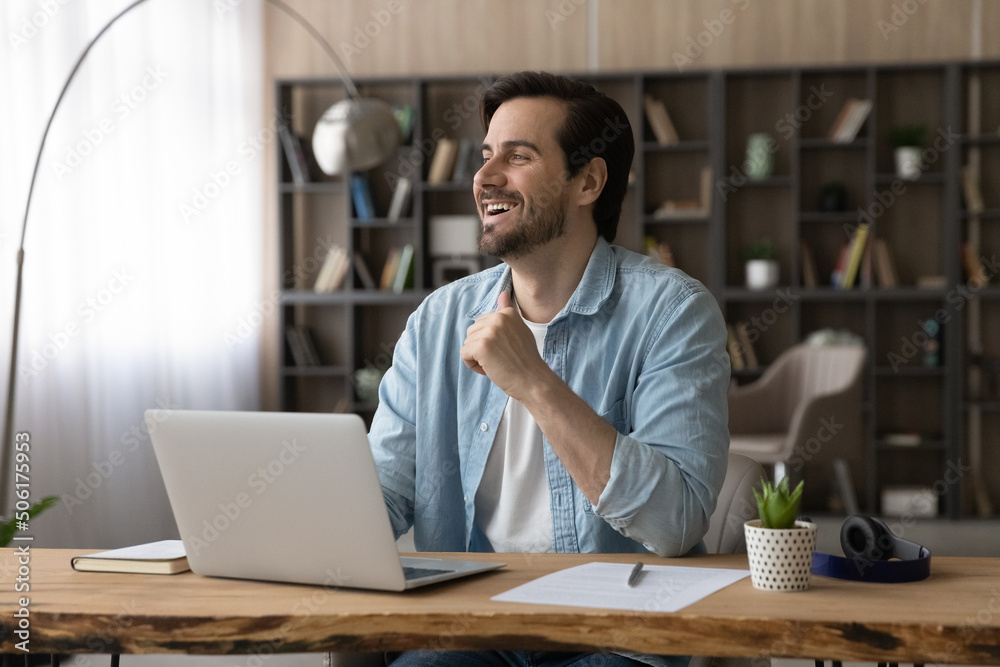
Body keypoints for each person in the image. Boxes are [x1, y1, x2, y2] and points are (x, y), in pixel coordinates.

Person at [369, 71, 730, 667]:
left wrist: (533, 381)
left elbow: (676, 519)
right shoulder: (438, 320)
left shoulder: (673, 313)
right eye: (486, 157)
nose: (485, 177)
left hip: (615, 628)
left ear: (588, 181)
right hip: (473, 622)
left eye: (518, 157)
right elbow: (383, 492)